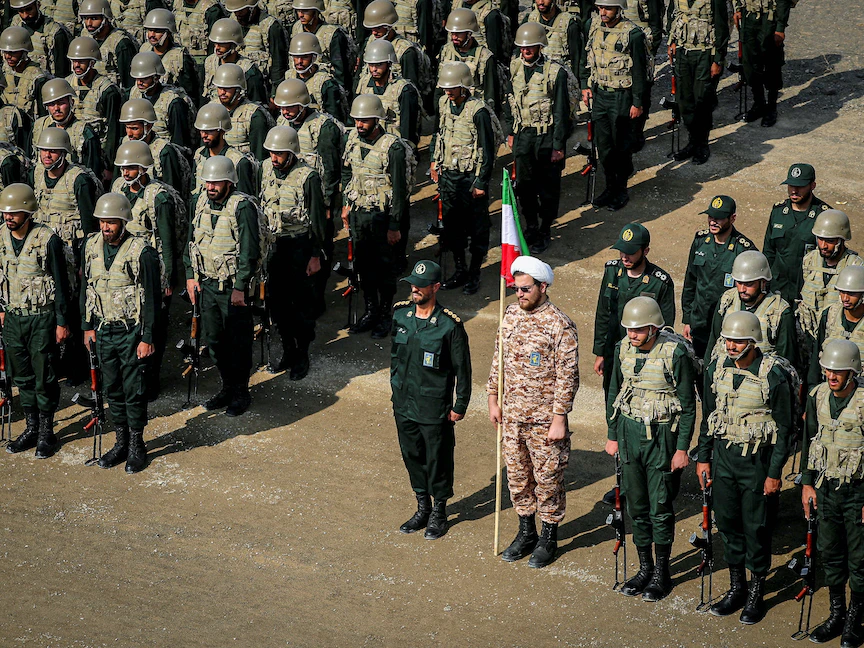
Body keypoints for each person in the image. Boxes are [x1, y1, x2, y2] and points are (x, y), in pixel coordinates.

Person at [697, 310, 793, 624]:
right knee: (727, 523)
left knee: (757, 527)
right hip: (724, 458)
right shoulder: (716, 368)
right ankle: (737, 587)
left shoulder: (772, 374)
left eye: (738, 341)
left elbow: (785, 429)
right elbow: (709, 416)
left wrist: (774, 473)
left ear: (752, 342)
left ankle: (756, 592)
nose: (731, 346)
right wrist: (704, 457)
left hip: (756, 462)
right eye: (727, 340)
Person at [488, 256, 579, 568]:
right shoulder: (510, 314)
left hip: (544, 421)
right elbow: (499, 358)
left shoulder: (559, 324)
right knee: (517, 478)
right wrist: (492, 397)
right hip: (512, 417)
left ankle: (548, 537)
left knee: (548, 479)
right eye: (516, 288)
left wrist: (560, 418)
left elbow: (568, 376)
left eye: (525, 289)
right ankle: (526, 532)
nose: (519, 294)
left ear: (543, 286)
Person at [605, 296, 696, 600]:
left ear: (654, 328)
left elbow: (688, 406)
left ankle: (662, 572)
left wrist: (682, 449)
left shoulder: (675, 353)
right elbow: (614, 392)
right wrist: (612, 434)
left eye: (639, 329)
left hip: (662, 436)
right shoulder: (622, 349)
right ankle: (645, 568)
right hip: (629, 433)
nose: (632, 334)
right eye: (629, 329)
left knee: (660, 507)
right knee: (637, 506)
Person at [80, 192, 161, 473]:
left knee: (133, 389)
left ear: (124, 221)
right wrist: (87, 326)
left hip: (131, 331)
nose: (106, 227)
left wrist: (147, 338)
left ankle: (137, 444)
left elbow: (152, 300)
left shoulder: (141, 252)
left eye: (111, 222)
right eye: (102, 221)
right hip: (103, 329)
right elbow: (87, 288)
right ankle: (121, 442)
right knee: (112, 388)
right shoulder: (91, 247)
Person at [391, 260, 471, 540]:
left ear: (435, 287)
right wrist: (395, 388)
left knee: (438, 459)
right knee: (412, 455)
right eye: (413, 284)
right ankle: (422, 506)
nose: (415, 289)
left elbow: (463, 369)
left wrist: (460, 405)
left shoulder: (449, 326)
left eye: (421, 286)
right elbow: (395, 358)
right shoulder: (401, 316)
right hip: (404, 403)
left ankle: (439, 511)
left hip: (434, 406)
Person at [184, 155, 260, 416]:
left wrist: (240, 286)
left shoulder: (243, 207)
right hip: (206, 284)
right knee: (215, 341)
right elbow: (190, 241)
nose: (211, 187)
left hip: (232, 288)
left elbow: (249, 250)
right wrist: (190, 275)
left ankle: (241, 391)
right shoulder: (199, 202)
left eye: (216, 182)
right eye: (208, 182)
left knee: (238, 342)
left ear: (229, 182)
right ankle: (227, 386)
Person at [0, 183, 72, 458]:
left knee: (45, 376)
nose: (8, 217)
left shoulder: (47, 240)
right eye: (5, 212)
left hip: (42, 318)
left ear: (28, 212)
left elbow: (62, 284)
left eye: (14, 212)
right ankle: (31, 428)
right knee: (22, 377)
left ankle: (46, 431)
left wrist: (62, 322)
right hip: (13, 318)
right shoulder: (1, 237)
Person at [801, 339, 864, 647]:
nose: (831, 375)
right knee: (830, 554)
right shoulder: (818, 396)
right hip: (826, 489)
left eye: (838, 371)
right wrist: (807, 484)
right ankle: (837, 614)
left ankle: (855, 619)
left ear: (852, 372)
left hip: (857, 492)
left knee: (860, 560)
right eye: (828, 369)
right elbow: (809, 440)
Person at [111, 139, 180, 400]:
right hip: (125, 268)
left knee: (153, 326)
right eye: (122, 168)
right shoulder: (118, 188)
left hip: (152, 267)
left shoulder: (158, 197)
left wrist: (168, 279)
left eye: (130, 168)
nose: (125, 173)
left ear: (143, 167)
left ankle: (151, 379)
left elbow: (167, 240)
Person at [272, 77, 343, 316]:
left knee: (320, 247)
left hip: (318, 198)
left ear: (303, 104)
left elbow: (331, 168)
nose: (285, 112)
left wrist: (328, 204)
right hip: (291, 197)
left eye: (290, 107)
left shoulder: (323, 127)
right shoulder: (282, 123)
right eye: (282, 107)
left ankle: (317, 298)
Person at [340, 94, 409, 339]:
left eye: (365, 120)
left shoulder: (393, 148)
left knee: (385, 269)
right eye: (357, 120)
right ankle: (371, 311)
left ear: (377, 120)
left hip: (382, 216)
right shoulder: (351, 140)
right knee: (363, 266)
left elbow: (400, 190)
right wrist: (346, 204)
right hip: (359, 214)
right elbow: (347, 172)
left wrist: (395, 225)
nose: (359, 125)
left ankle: (385, 313)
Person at [259, 125, 325, 378]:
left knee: (301, 305)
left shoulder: (308, 177)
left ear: (291, 153)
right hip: (273, 246)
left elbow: (318, 219)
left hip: (299, 246)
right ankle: (288, 349)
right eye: (271, 153)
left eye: (279, 153)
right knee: (277, 304)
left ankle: (302, 353)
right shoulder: (265, 169)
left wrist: (315, 255)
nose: (274, 158)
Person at [503, 22, 569, 253]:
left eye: (530, 46)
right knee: (524, 186)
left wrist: (558, 145)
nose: (525, 50)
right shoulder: (514, 67)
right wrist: (512, 131)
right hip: (524, 135)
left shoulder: (555, 73)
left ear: (540, 45)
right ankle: (531, 225)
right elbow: (510, 101)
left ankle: (545, 228)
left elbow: (561, 112)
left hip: (546, 137)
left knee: (548, 189)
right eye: (522, 46)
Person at [430, 61, 494, 296]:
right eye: (446, 87)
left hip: (470, 179)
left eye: (453, 87)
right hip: (449, 176)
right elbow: (438, 133)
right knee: (452, 227)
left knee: (477, 230)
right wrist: (434, 160)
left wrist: (481, 182)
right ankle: (460, 269)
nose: (448, 91)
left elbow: (487, 149)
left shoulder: (478, 111)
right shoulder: (443, 104)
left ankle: (475, 272)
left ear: (464, 86)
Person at [580, 0, 648, 211]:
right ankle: (610, 187)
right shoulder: (594, 28)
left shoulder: (632, 34)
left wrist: (637, 102)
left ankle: (621, 190)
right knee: (604, 147)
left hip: (621, 97)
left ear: (619, 9)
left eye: (608, 8)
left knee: (621, 146)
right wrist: (584, 85)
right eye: (600, 8)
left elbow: (640, 71)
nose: (603, 12)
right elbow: (586, 57)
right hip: (600, 95)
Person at [593, 223, 675, 396]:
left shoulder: (660, 282)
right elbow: (603, 314)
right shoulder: (612, 272)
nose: (624, 257)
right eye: (621, 251)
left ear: (645, 251)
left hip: (644, 355)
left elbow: (665, 326)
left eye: (630, 252)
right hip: (614, 351)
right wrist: (600, 353)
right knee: (612, 395)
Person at [681, 195, 756, 361]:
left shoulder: (744, 250)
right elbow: (690, 281)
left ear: (732, 218)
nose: (713, 222)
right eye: (710, 217)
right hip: (699, 322)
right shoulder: (700, 241)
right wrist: (687, 319)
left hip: (727, 325)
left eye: (719, 218)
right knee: (698, 365)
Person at [705, 250, 797, 367]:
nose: (742, 289)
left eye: (749, 284)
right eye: (739, 282)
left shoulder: (779, 313)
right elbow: (713, 342)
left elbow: (786, 362)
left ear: (763, 282)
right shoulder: (727, 301)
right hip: (725, 374)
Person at [667, 0, 728, 164]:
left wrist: (718, 59)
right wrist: (671, 41)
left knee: (702, 101)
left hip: (705, 53)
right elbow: (672, 16)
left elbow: (722, 26)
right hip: (683, 53)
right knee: (684, 101)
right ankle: (692, 141)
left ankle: (702, 144)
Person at [762, 163, 831, 306]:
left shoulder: (825, 216)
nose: (794, 191)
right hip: (778, 289)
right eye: (791, 186)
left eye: (800, 186)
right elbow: (769, 251)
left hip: (808, 290)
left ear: (812, 186)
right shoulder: (778, 212)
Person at [798, 209, 864, 343]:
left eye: (830, 241)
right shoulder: (809, 260)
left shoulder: (855, 266)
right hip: (807, 339)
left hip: (836, 341)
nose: (823, 246)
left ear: (841, 240)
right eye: (820, 239)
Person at [65, 36, 123, 175]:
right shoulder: (66, 85)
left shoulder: (107, 91)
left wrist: (109, 166)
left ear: (92, 63)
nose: (76, 65)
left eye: (81, 62)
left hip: (98, 156)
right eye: (74, 61)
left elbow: (113, 131)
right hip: (70, 153)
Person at [118, 97, 190, 201]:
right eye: (127, 127)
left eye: (134, 128)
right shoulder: (124, 144)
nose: (129, 134)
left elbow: (171, 191)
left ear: (149, 126)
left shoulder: (164, 151)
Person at [31, 78, 104, 178]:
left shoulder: (85, 132)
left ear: (71, 102)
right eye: (51, 104)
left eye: (61, 103)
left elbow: (93, 172)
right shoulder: (39, 127)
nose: (56, 108)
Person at [733, 0, 791, 126]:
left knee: (772, 64)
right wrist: (738, 8)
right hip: (748, 17)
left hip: (769, 19)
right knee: (750, 65)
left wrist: (780, 27)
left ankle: (771, 107)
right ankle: (759, 104)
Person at [127, 51, 197, 155]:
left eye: (144, 78)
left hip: (165, 155)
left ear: (156, 77)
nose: (139, 82)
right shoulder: (134, 93)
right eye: (137, 78)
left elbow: (180, 143)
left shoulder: (174, 103)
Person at [357, 38, 420, 146]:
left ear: (389, 64)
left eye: (379, 65)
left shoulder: (404, 90)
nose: (374, 69)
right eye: (371, 65)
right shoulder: (364, 85)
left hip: (395, 146)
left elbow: (408, 130)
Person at [809, 266, 864, 388]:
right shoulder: (830, 315)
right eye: (842, 292)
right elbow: (816, 356)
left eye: (851, 294)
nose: (845, 298)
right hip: (831, 387)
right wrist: (812, 389)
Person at [191, 100, 259, 196]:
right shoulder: (199, 156)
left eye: (210, 131)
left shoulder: (239, 162)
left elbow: (244, 199)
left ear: (222, 131)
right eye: (201, 130)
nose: (204, 135)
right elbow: (193, 193)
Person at [439, 8, 500, 115]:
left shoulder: (485, 57)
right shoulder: (446, 51)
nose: (454, 37)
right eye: (452, 33)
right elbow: (439, 87)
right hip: (449, 110)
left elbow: (491, 94)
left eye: (459, 33)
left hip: (474, 111)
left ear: (469, 33)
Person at [212, 62, 274, 161]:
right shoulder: (211, 109)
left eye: (227, 88)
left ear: (238, 89)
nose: (222, 92)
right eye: (219, 87)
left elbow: (259, 157)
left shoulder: (254, 115)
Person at [224, 0, 289, 91]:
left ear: (251, 8)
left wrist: (275, 92)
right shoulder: (232, 22)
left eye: (241, 11)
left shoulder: (270, 26)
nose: (237, 14)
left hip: (262, 87)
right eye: (235, 11)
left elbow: (278, 64)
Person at [285, 32, 348, 124]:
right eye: (296, 57)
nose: (299, 61)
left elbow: (335, 119)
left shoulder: (325, 83)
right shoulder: (289, 77)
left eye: (305, 57)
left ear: (314, 57)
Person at [291, 0, 353, 92]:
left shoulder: (332, 34)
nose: (300, 15)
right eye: (298, 11)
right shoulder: (296, 28)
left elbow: (340, 71)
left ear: (316, 11)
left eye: (305, 11)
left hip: (325, 87)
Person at [0, 25, 49, 142]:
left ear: (24, 52)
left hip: (27, 133)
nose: (8, 56)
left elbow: (44, 115)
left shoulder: (37, 78)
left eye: (13, 53)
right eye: (6, 52)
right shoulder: (3, 71)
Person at [202, 17, 267, 104]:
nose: (217, 48)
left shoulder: (248, 70)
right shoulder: (210, 63)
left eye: (222, 44)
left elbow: (257, 103)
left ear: (233, 44)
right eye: (215, 43)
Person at [77, 0, 139, 91]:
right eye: (86, 18)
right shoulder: (84, 36)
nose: (89, 23)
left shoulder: (121, 43)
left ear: (105, 19)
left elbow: (129, 84)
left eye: (94, 18)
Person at [10, 0, 71, 78]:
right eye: (21, 11)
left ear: (38, 5)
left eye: (29, 9)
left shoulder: (54, 33)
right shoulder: (16, 25)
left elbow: (61, 73)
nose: (25, 16)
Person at [173, 0, 229, 81]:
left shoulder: (211, 9)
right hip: (178, 64)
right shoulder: (177, 4)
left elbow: (214, 45)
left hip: (200, 66)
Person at [523, 0, 581, 76]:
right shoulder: (530, 20)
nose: (541, 2)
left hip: (559, 77)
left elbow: (577, 59)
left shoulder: (568, 24)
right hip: (535, 77)